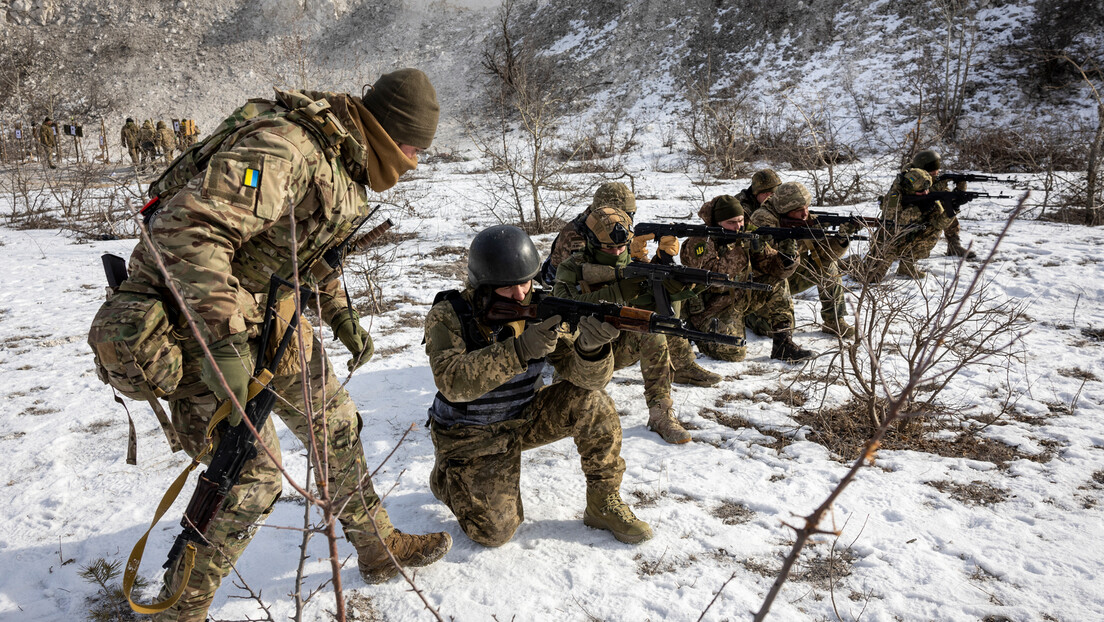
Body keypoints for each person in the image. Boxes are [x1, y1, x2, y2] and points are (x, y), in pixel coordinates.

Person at [118, 68, 449, 622]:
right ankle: (180, 609)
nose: (414, 161)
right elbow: (187, 233)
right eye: (414, 147)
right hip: (195, 322)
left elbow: (299, 252)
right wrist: (224, 344)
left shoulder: (344, 160)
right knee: (249, 472)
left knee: (335, 423)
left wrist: (341, 317)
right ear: (388, 131)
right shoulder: (286, 149)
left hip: (265, 319)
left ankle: (376, 545)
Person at [425, 225, 652, 546]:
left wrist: (592, 350)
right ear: (483, 285)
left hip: (522, 417)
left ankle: (603, 502)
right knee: (495, 533)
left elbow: (586, 379)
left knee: (594, 401)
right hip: (468, 433)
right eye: (508, 287)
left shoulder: (542, 308)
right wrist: (520, 350)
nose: (520, 294)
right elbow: (453, 382)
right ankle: (446, 478)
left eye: (526, 282)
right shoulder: (449, 315)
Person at [542, 182, 720, 388]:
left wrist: (656, 264)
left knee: (659, 298)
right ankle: (572, 373)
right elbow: (582, 280)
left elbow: (625, 267)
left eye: (630, 214)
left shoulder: (613, 227)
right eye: (624, 213)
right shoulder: (577, 235)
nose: (628, 219)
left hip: (606, 293)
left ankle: (682, 364)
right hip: (570, 298)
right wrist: (629, 283)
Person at [553, 207, 697, 444]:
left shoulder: (634, 261)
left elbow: (659, 306)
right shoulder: (571, 267)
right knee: (568, 409)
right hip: (580, 352)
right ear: (591, 243)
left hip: (619, 345)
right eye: (609, 248)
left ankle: (661, 412)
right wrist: (617, 291)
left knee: (654, 333)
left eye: (622, 247)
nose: (617, 252)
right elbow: (563, 307)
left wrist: (672, 276)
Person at [680, 195, 815, 363]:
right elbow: (713, 278)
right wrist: (742, 249)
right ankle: (699, 334)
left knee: (777, 282)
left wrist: (787, 258)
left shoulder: (747, 233)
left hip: (739, 297)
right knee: (734, 353)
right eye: (731, 223)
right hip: (710, 308)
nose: (738, 227)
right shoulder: (700, 241)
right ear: (717, 222)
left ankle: (783, 343)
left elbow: (773, 268)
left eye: (740, 220)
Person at [745, 182, 855, 339]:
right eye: (798, 210)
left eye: (806, 207)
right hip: (764, 283)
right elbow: (765, 260)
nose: (805, 214)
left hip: (791, 274)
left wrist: (841, 240)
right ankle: (747, 316)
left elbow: (826, 255)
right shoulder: (762, 219)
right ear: (784, 209)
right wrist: (796, 241)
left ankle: (834, 320)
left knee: (828, 264)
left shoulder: (803, 217)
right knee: (777, 330)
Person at [856, 168, 953, 281]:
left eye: (926, 190)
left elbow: (939, 224)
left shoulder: (927, 197)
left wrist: (952, 210)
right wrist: (920, 209)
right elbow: (895, 221)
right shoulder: (894, 196)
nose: (925, 193)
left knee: (933, 229)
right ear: (909, 189)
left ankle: (907, 266)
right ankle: (848, 262)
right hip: (889, 241)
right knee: (869, 278)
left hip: (909, 237)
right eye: (921, 192)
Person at [911, 149, 977, 259]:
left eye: (937, 167)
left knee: (948, 207)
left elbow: (949, 197)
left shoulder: (931, 178)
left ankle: (954, 245)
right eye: (932, 169)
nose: (936, 172)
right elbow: (925, 194)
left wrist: (961, 186)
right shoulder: (911, 179)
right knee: (940, 212)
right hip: (913, 221)